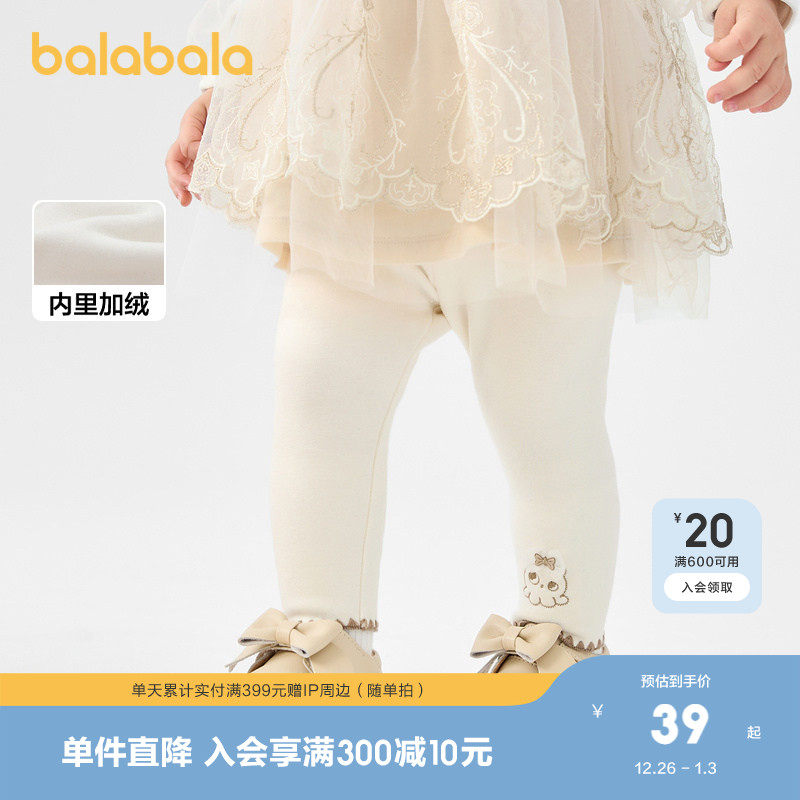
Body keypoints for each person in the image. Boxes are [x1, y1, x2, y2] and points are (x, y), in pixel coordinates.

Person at [166, 0, 793, 674]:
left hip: (542, 141)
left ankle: (558, 641)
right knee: (319, 391)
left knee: (547, 419)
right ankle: (323, 640)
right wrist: (227, 80)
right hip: (354, 145)